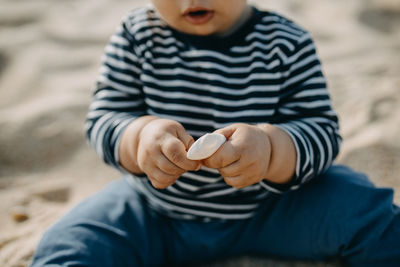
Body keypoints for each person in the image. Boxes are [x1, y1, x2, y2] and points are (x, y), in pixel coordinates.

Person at [30, 0, 400, 266]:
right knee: (68, 246)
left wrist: (272, 148)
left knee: (370, 214)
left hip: (272, 206)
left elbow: (320, 130)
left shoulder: (286, 42)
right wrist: (138, 137)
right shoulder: (136, 36)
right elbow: (104, 118)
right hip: (156, 210)